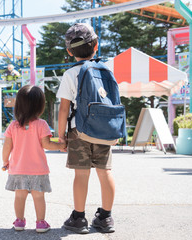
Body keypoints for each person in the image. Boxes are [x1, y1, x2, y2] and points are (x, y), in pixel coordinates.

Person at [56, 23, 116, 234]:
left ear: (69, 51)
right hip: (104, 130)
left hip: (79, 131)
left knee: (81, 175)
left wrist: (61, 136)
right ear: (96, 45)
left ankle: (79, 219)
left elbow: (64, 109)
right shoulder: (107, 70)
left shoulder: (70, 74)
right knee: (105, 172)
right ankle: (106, 218)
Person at [2, 85, 66, 233]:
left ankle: (19, 221)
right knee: (38, 197)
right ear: (40, 106)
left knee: (19, 196)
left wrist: (5, 161)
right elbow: (47, 144)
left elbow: (6, 147)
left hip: (17, 169)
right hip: (38, 169)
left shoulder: (13, 126)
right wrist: (62, 145)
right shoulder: (41, 124)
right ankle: (40, 223)